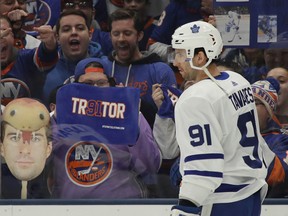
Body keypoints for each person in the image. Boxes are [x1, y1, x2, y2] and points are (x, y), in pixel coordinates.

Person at [170, 20, 269, 216]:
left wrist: (186, 208)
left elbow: (204, 164)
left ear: (200, 57)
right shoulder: (238, 80)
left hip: (221, 201)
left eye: (181, 54)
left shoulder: (195, 98)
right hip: (251, 193)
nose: (175, 62)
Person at [50, 57, 161, 198]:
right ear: (75, 87)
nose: (95, 89)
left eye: (101, 83)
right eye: (88, 84)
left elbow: (151, 165)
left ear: (111, 85)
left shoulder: (129, 115)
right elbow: (40, 159)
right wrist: (55, 117)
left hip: (123, 207)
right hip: (69, 208)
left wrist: (132, 122)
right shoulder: (60, 117)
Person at [103, 8, 177, 128]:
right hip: (109, 143)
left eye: (127, 33)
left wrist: (135, 102)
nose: (121, 38)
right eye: (116, 34)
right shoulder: (101, 67)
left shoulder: (161, 71)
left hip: (149, 142)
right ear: (110, 36)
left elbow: (172, 120)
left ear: (139, 35)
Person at [41, 9, 103, 107]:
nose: (74, 32)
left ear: (90, 34)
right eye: (66, 29)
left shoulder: (106, 65)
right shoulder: (44, 68)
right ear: (57, 38)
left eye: (80, 28)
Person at [0, 98, 52, 198]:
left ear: (48, 149)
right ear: (2, 147)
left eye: (36, 139)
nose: (25, 150)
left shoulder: (61, 187)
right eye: (14, 138)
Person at [1, 15, 58, 105]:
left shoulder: (26, 58)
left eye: (3, 31)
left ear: (12, 36)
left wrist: (49, 45)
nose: (0, 37)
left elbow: (45, 56)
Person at [251, 77, 288, 198]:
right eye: (247, 102)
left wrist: (253, 140)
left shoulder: (281, 140)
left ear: (269, 111)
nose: (249, 107)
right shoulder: (231, 134)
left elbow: (280, 175)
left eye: (255, 103)